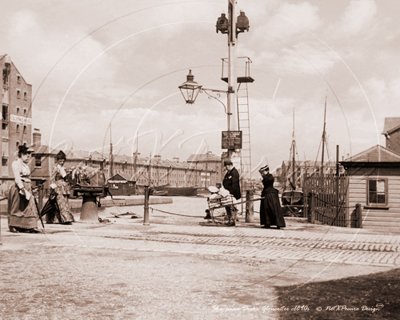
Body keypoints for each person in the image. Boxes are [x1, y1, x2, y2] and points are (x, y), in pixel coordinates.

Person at [8, 145, 41, 233]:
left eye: (29, 154)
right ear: (20, 154)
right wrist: (22, 188)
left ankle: (28, 226)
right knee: (17, 206)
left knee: (28, 206)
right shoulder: (16, 163)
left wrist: (31, 187)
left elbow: (28, 177)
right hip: (20, 187)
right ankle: (13, 225)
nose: (28, 156)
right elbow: (17, 177)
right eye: (25, 154)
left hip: (27, 186)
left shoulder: (26, 165)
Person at [46, 150, 75, 224]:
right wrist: (53, 188)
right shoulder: (56, 168)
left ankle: (61, 219)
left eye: (63, 161)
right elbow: (52, 178)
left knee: (63, 203)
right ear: (57, 160)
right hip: (58, 188)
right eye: (60, 161)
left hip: (63, 187)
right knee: (60, 204)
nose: (62, 162)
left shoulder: (62, 168)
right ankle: (65, 219)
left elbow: (66, 177)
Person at [259, 165, 286, 229]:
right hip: (266, 194)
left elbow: (267, 182)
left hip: (271, 195)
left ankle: (278, 223)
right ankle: (267, 223)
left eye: (263, 172)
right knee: (266, 209)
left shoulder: (270, 177)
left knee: (273, 209)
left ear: (267, 171)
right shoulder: (266, 177)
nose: (262, 173)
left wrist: (263, 176)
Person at [222, 160, 241, 226]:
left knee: (232, 207)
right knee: (228, 206)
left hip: (233, 194)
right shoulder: (229, 172)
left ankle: (232, 220)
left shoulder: (234, 172)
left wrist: (231, 193)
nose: (226, 168)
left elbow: (234, 185)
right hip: (228, 193)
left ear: (230, 165)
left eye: (226, 166)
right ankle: (230, 219)